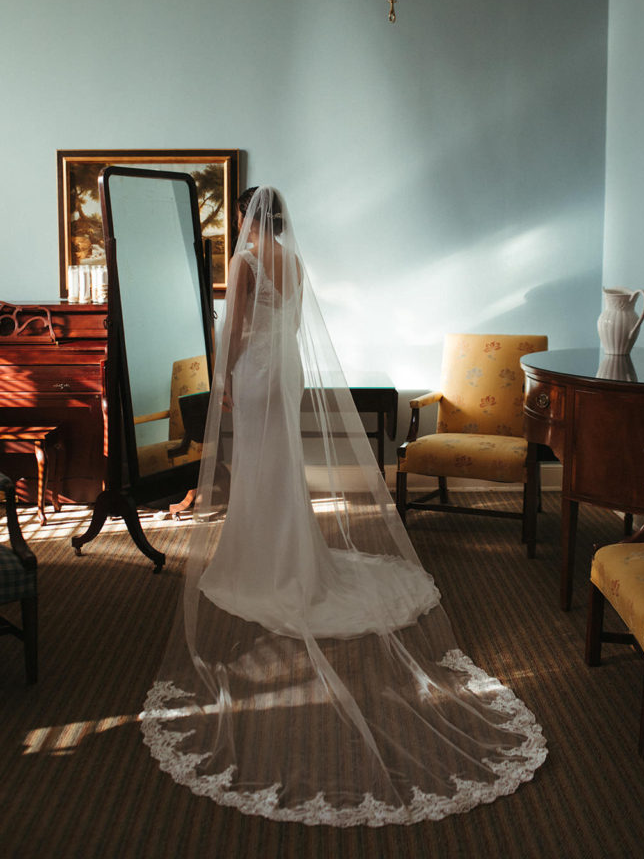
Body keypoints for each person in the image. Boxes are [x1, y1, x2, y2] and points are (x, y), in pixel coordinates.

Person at [141, 186, 546, 826]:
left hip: (255, 369)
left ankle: (262, 559)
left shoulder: (246, 261)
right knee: (280, 468)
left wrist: (225, 380)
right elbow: (291, 324)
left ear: (247, 217)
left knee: (259, 468)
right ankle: (286, 552)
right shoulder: (294, 262)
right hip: (286, 368)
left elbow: (238, 326)